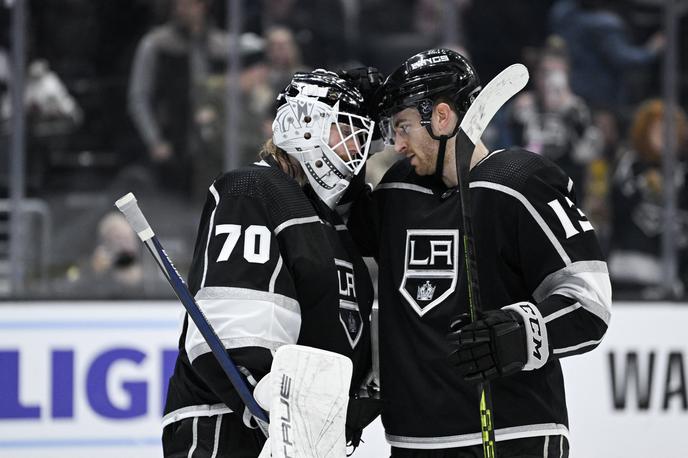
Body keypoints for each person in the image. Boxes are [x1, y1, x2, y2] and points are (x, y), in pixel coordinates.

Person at [346, 48, 612, 457]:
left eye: (402, 127)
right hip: (412, 440)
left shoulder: (520, 182)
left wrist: (524, 332)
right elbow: (330, 230)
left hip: (511, 435)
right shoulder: (397, 191)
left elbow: (589, 302)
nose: (396, 145)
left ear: (441, 117)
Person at [162, 69, 378, 457]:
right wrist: (270, 398)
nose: (356, 148)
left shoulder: (328, 219)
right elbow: (232, 333)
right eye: (347, 131)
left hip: (298, 435)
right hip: (226, 425)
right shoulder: (252, 189)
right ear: (304, 124)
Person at [608, 99, 688, 300]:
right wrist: (642, 186)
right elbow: (616, 209)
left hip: (672, 268)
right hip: (631, 264)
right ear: (645, 131)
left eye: (672, 131)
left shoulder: (682, 169)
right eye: (659, 129)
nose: (666, 136)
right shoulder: (632, 163)